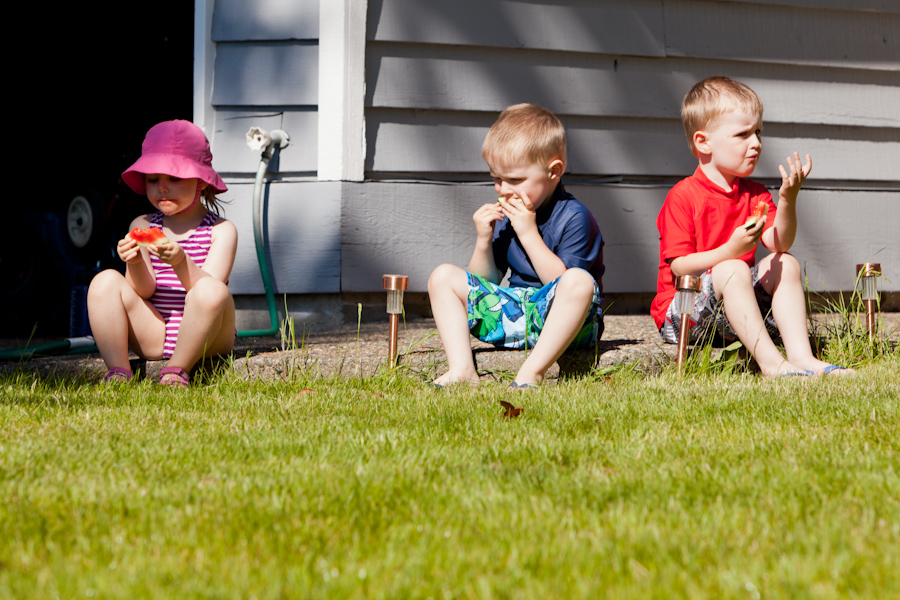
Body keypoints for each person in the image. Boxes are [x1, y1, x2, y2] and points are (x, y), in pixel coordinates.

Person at [650, 76, 852, 377]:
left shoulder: (755, 193)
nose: (756, 143)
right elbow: (680, 267)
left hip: (737, 311)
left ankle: (802, 358)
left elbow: (780, 242)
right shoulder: (684, 195)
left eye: (758, 131)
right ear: (703, 142)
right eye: (743, 134)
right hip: (683, 313)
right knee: (732, 267)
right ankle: (772, 365)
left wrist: (787, 199)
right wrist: (729, 251)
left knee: (786, 262)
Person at [428, 103, 605, 388]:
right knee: (443, 276)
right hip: (518, 316)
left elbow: (565, 285)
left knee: (579, 281)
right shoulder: (510, 217)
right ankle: (462, 370)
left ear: (554, 171)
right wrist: (484, 241)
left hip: (570, 328)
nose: (503, 189)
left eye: (514, 180)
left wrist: (528, 233)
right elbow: (485, 283)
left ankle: (531, 372)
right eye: (496, 178)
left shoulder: (575, 217)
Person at [88, 120, 238, 386]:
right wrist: (134, 262)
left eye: (175, 178)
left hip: (210, 338)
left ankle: (177, 369)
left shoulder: (221, 230)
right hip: (155, 331)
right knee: (104, 281)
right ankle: (119, 371)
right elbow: (144, 291)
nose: (162, 187)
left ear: (201, 182)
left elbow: (210, 294)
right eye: (153, 179)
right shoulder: (142, 225)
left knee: (212, 290)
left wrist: (181, 261)